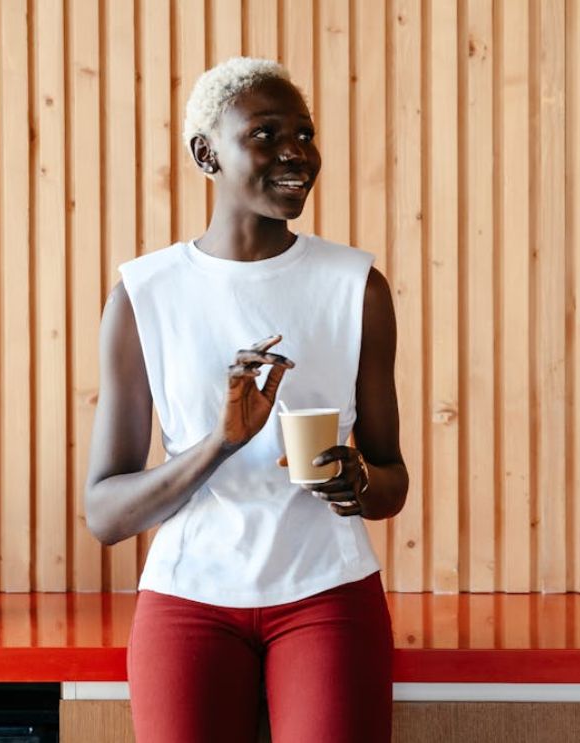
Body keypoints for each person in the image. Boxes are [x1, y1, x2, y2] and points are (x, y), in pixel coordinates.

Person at [84, 57, 407, 743]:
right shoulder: (145, 296)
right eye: (265, 133)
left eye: (304, 134)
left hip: (328, 591)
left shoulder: (356, 287)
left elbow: (391, 481)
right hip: (187, 599)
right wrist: (218, 443)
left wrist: (357, 481)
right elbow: (105, 513)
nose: (296, 152)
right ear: (207, 153)